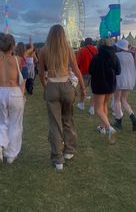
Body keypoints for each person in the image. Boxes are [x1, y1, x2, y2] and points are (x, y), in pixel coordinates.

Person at [39, 24, 85, 171]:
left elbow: (41, 73)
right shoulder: (68, 49)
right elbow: (77, 70)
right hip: (66, 86)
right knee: (68, 118)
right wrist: (83, 88)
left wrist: (45, 86)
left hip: (52, 85)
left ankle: (58, 158)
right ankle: (69, 150)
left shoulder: (44, 50)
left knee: (55, 123)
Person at [0, 33, 25, 164]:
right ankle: (11, 154)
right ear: (12, 45)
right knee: (15, 124)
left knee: (0, 121)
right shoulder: (17, 59)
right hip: (14, 91)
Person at [89, 38, 121, 143]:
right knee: (104, 106)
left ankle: (109, 128)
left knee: (98, 108)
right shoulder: (114, 56)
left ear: (98, 46)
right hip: (110, 85)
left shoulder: (96, 58)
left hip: (99, 86)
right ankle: (102, 127)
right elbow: (118, 71)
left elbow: (90, 71)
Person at [113, 40, 136, 131]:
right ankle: (133, 119)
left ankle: (118, 121)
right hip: (129, 80)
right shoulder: (131, 55)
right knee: (124, 100)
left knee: (117, 100)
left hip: (119, 80)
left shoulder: (116, 55)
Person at [76, 37, 97, 115]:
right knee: (93, 90)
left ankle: (81, 104)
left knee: (82, 88)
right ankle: (92, 107)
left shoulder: (82, 50)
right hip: (95, 73)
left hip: (84, 72)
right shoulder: (96, 50)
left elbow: (78, 62)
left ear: (85, 42)